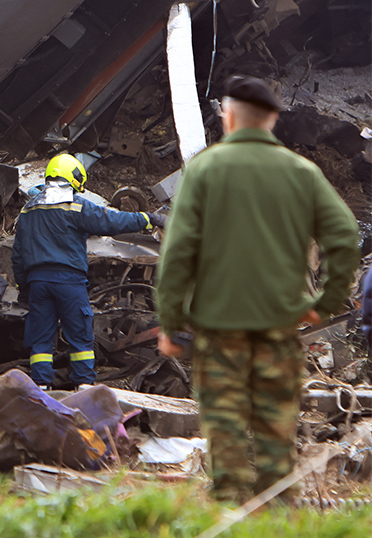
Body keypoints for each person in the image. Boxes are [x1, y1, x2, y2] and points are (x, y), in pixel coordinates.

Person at [155, 75, 360, 504]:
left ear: (228, 115)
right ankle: (279, 509)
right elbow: (344, 238)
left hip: (218, 326)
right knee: (275, 425)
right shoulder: (302, 172)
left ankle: (230, 506)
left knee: (225, 422)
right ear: (272, 119)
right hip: (280, 326)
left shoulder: (205, 170)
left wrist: (171, 322)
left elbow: (177, 254)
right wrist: (325, 304)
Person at [11, 153, 165, 389]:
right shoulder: (75, 205)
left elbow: (18, 253)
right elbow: (112, 222)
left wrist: (23, 287)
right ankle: (83, 386)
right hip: (68, 282)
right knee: (79, 335)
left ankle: (41, 386)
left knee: (40, 338)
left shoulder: (28, 209)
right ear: (73, 178)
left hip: (38, 283)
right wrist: (148, 218)